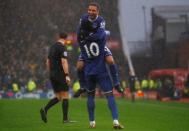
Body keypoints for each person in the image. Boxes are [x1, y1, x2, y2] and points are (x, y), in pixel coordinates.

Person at [77, 3, 124, 129]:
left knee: (81, 67)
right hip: (100, 59)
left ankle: (91, 122)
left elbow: (79, 34)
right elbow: (102, 34)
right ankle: (115, 120)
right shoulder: (94, 27)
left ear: (97, 11)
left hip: (88, 64)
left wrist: (86, 38)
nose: (90, 12)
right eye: (89, 10)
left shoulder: (83, 36)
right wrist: (99, 34)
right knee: (110, 62)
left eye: (93, 10)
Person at [40, 32, 74, 123]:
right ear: (66, 39)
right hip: (60, 74)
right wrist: (66, 75)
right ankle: (65, 119)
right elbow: (64, 62)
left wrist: (51, 73)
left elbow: (47, 62)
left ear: (58, 37)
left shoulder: (52, 47)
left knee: (59, 97)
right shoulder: (62, 47)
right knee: (65, 95)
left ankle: (45, 109)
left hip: (52, 74)